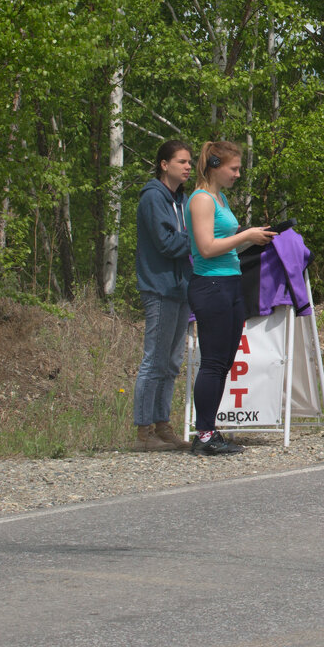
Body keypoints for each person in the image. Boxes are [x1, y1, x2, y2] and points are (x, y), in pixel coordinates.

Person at [185, 141, 276, 456]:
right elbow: (206, 248)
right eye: (233, 168)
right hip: (211, 286)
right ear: (214, 166)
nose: (237, 174)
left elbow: (226, 246)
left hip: (230, 283)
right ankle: (204, 434)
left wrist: (255, 240)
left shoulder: (220, 198)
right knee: (211, 362)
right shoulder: (201, 200)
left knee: (223, 363)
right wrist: (246, 235)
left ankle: (210, 430)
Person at [132, 140, 194, 451]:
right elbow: (167, 244)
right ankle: (144, 430)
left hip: (181, 288)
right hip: (159, 287)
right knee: (154, 359)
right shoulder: (153, 198)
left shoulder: (181, 200)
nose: (187, 167)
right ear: (164, 165)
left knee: (171, 361)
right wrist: (200, 239)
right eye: (182, 161)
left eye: (190, 162)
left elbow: (178, 240)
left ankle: (162, 424)